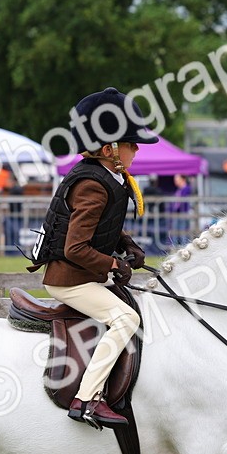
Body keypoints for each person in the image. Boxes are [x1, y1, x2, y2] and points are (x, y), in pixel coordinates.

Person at [33, 87, 157, 429]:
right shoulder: (93, 184)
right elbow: (75, 248)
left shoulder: (108, 177)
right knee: (126, 320)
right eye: (131, 143)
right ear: (109, 149)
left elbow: (101, 225)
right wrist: (114, 265)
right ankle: (86, 398)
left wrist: (126, 243)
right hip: (70, 280)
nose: (136, 149)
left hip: (84, 274)